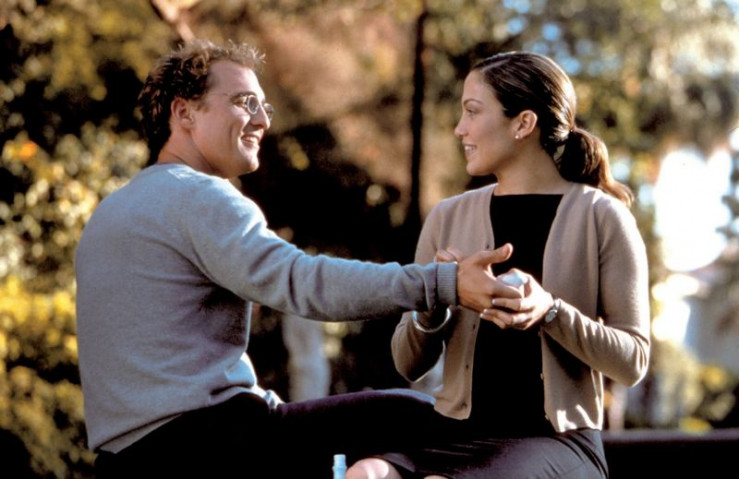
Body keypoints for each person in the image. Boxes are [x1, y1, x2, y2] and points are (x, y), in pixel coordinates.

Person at [73, 39, 521, 478]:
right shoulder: (198, 195)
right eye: (245, 102)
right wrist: (441, 282)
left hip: (122, 460)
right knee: (424, 419)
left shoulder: (110, 213)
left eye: (264, 107)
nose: (262, 120)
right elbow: (304, 283)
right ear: (184, 112)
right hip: (206, 444)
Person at [347, 51, 651, 479]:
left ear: (523, 124)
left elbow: (633, 360)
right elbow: (408, 363)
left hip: (556, 441)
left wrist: (550, 312)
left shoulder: (602, 217)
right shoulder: (447, 217)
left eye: (472, 112)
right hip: (452, 433)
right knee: (364, 473)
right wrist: (437, 300)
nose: (460, 128)